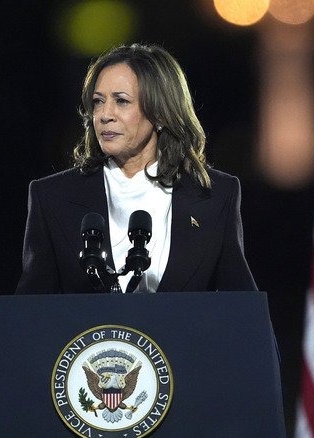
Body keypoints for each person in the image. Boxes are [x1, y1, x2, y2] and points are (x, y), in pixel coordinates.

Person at [16, 43, 257, 294]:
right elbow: (30, 315)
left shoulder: (216, 197)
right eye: (98, 101)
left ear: (161, 112)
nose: (105, 114)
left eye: (121, 101)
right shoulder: (51, 197)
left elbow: (241, 313)